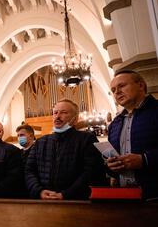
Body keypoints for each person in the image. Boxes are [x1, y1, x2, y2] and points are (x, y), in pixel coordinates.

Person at [25, 99, 105, 200]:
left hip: (75, 201)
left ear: (75, 119)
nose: (57, 116)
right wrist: (39, 191)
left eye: (64, 112)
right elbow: (29, 170)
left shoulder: (87, 139)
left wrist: (65, 194)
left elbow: (91, 171)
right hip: (44, 201)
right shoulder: (40, 142)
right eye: (55, 113)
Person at [107, 70, 158, 200]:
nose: (117, 92)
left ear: (141, 85)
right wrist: (111, 166)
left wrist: (144, 159)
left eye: (122, 86)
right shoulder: (114, 124)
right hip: (125, 195)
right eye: (113, 90)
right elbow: (110, 157)